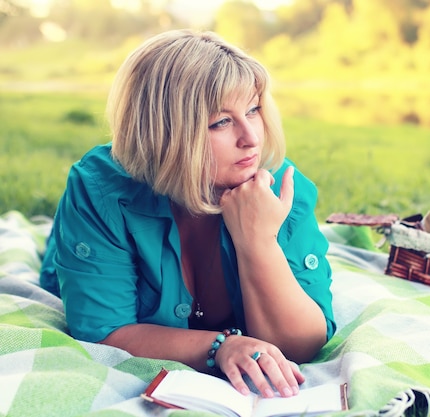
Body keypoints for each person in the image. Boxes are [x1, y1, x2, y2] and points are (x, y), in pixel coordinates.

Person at [39, 29, 336, 400]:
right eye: (221, 122)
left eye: (253, 110)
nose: (251, 138)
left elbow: (301, 345)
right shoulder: (100, 190)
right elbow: (103, 330)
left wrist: (258, 241)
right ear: (163, 132)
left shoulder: (279, 189)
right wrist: (219, 347)